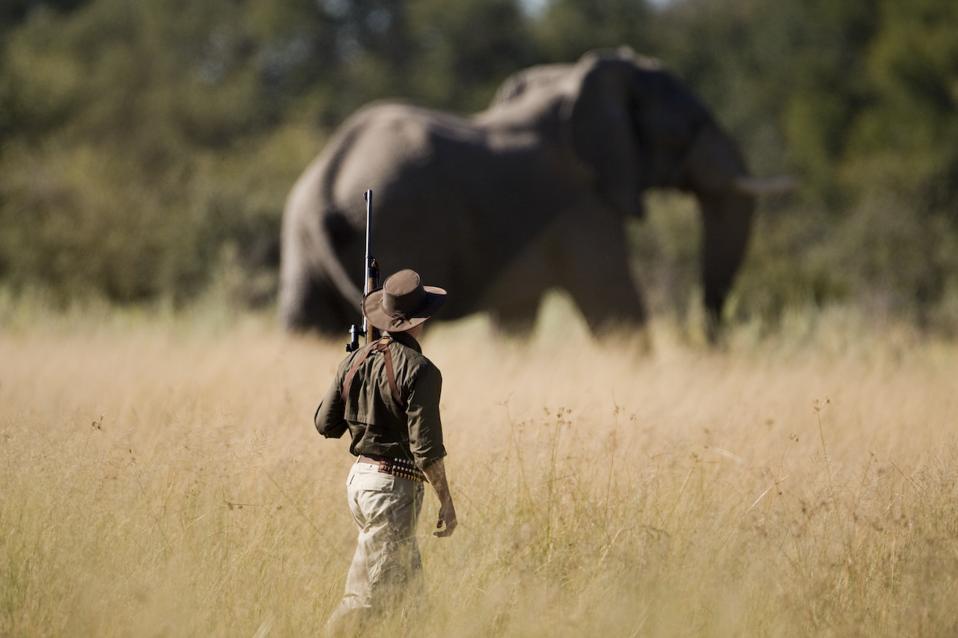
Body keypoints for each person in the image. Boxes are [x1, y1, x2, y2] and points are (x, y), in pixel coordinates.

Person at [314, 268, 457, 636]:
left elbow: (325, 424)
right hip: (391, 492)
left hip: (361, 483)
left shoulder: (356, 360)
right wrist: (446, 500)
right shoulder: (422, 370)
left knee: (411, 602)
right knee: (362, 598)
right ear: (419, 321)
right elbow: (425, 448)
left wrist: (355, 368)